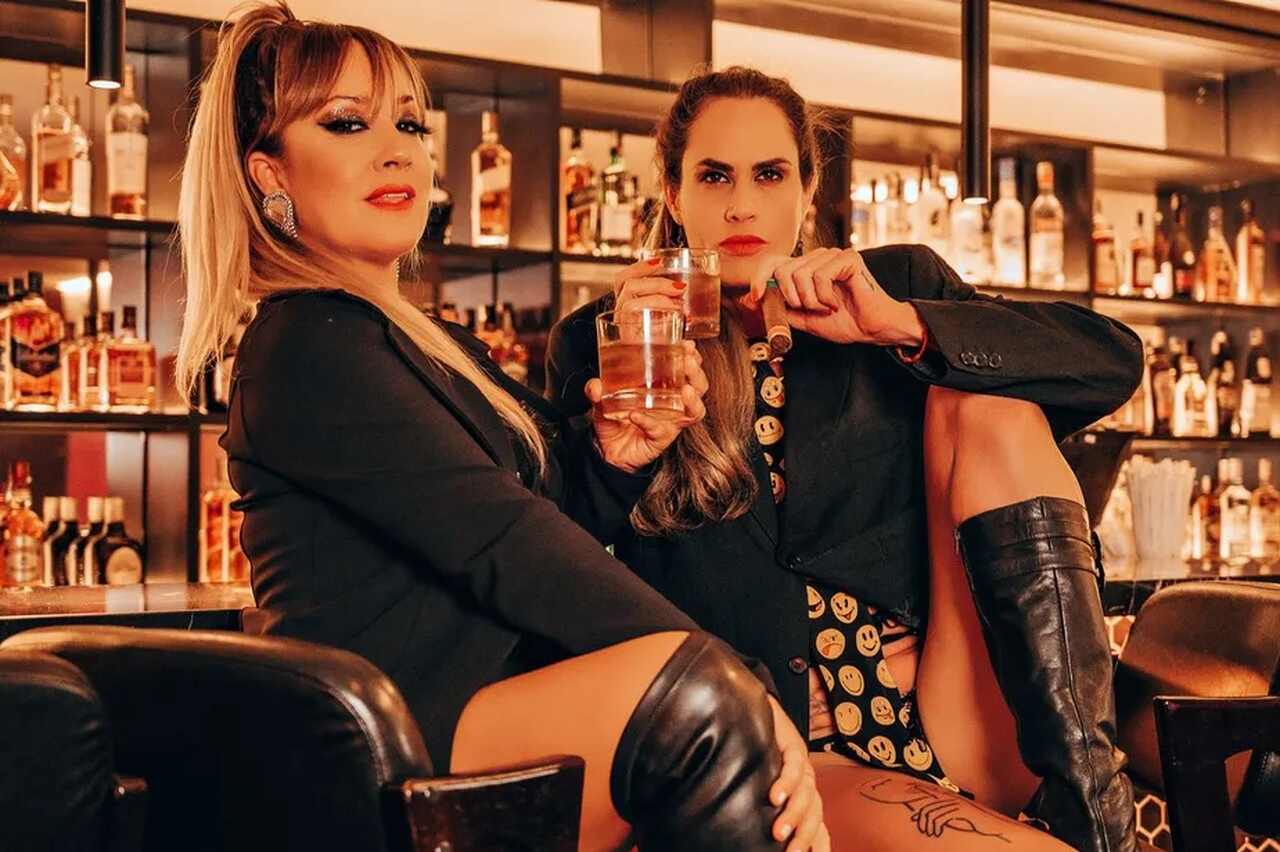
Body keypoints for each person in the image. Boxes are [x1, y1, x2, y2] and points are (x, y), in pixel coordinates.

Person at [175, 7, 829, 850]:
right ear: (269, 173)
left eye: (410, 123)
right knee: (704, 698)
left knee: (713, 695)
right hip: (396, 740)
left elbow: (539, 514)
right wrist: (749, 686)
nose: (398, 150)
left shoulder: (426, 339)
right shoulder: (306, 344)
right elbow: (509, 547)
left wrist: (610, 453)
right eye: (346, 123)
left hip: (480, 705)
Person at [548, 66, 1143, 852]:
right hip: (796, 747)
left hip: (958, 706)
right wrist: (620, 434)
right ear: (673, 193)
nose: (742, 205)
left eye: (770, 174)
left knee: (990, 395)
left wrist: (899, 327)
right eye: (714, 176)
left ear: (808, 188)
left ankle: (1094, 805)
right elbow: (550, 555)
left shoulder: (887, 285)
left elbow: (1113, 361)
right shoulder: (606, 337)